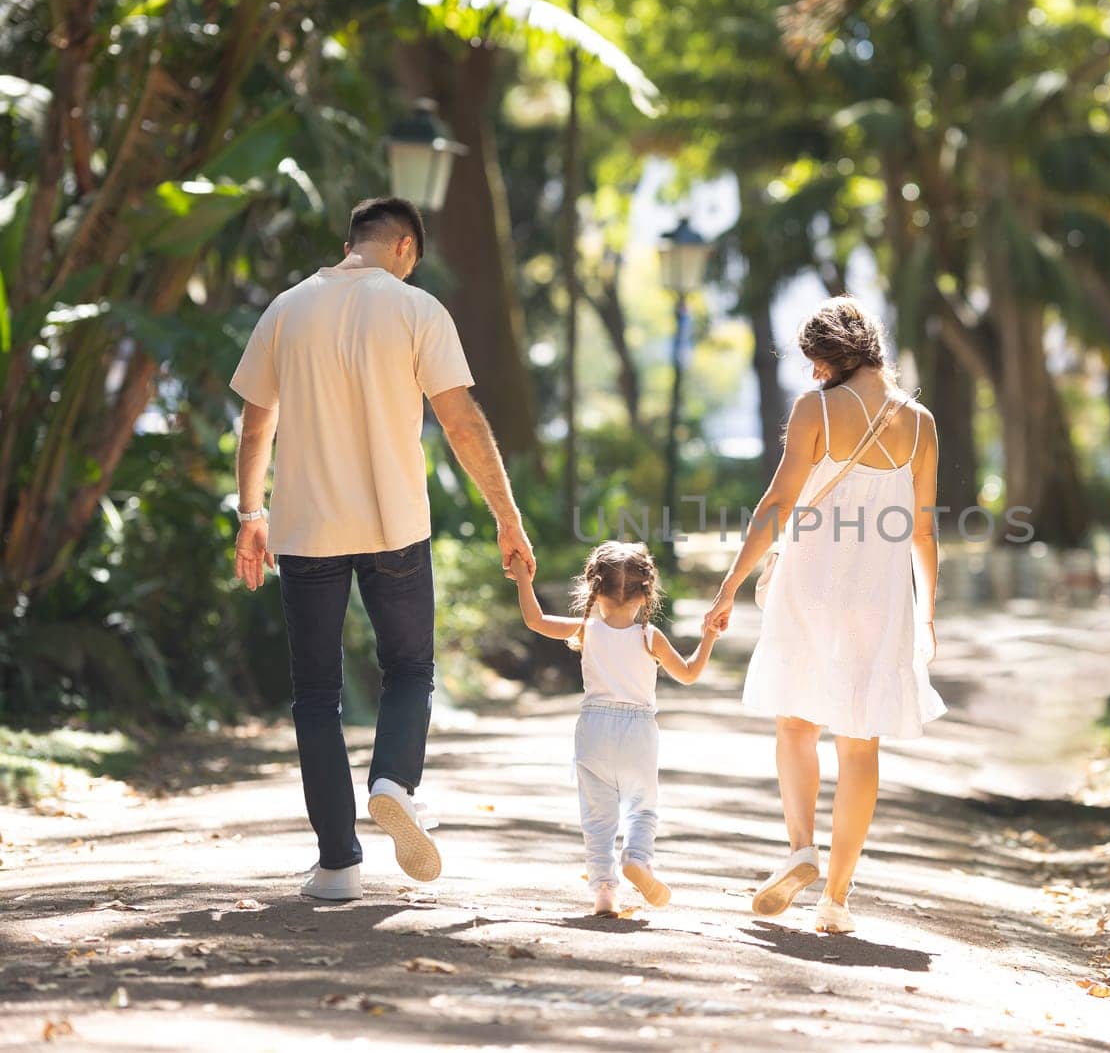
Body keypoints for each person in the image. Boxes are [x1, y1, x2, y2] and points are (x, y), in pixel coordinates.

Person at [230, 197, 535, 901]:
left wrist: (251, 511)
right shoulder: (415, 309)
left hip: (306, 533)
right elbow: (461, 421)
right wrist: (506, 515)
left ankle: (337, 865)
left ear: (350, 244)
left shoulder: (286, 309)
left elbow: (255, 425)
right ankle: (394, 779)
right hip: (396, 526)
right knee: (409, 669)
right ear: (403, 246)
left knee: (315, 697)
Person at [704, 296, 945, 935]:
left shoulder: (817, 408)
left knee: (796, 723)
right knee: (860, 742)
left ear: (830, 358)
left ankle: (800, 849)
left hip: (811, 582)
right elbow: (923, 533)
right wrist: (927, 615)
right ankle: (836, 897)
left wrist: (731, 583)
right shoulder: (920, 424)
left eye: (814, 363)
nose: (812, 376)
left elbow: (779, 502)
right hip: (882, 594)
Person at [508, 542, 720, 916]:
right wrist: (709, 638)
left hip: (593, 731)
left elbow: (535, 620)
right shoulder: (649, 636)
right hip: (639, 732)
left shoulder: (587, 629)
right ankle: (637, 858)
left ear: (594, 588)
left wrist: (524, 579)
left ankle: (604, 892)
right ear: (645, 593)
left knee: (598, 819)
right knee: (641, 810)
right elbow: (688, 674)